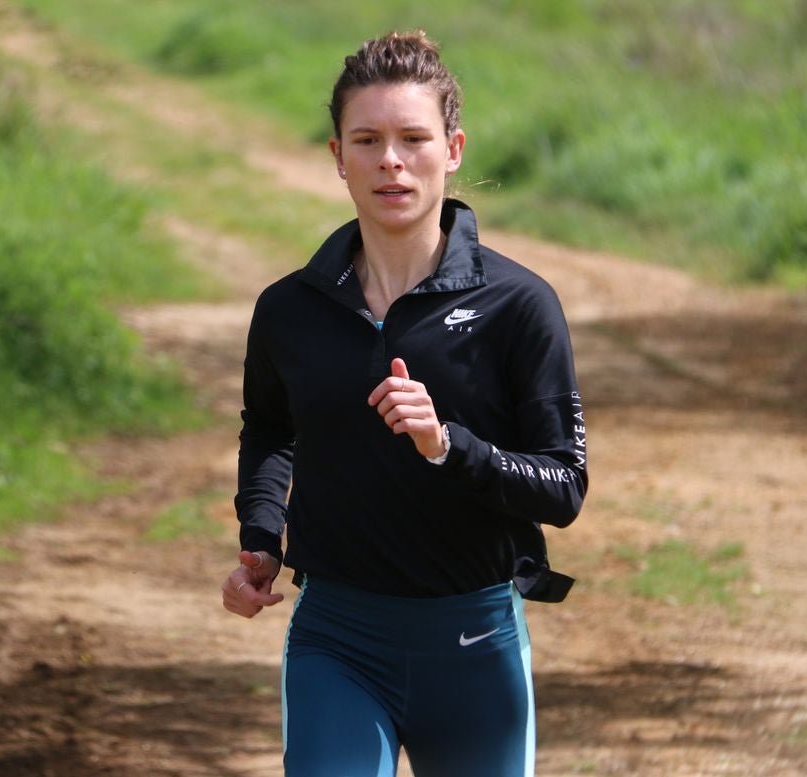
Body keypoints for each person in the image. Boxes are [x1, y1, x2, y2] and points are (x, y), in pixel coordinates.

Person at [220, 30, 587, 777]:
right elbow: (270, 429)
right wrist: (261, 535)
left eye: (413, 138)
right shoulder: (290, 309)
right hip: (337, 638)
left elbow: (564, 487)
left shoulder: (519, 304)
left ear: (452, 150)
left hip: (475, 644)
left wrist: (450, 446)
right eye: (368, 139)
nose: (391, 159)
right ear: (337, 157)